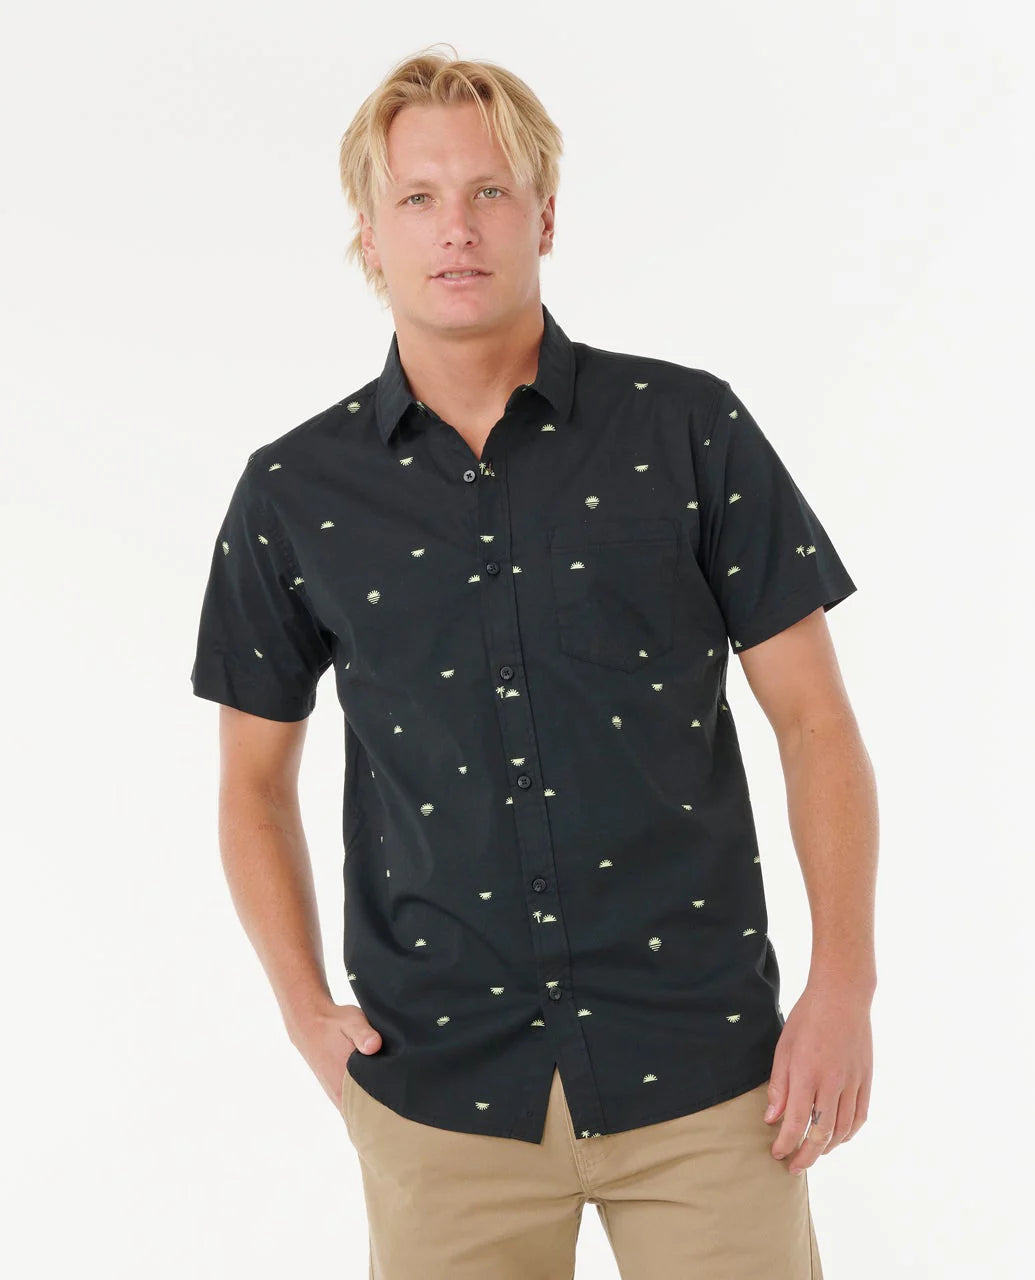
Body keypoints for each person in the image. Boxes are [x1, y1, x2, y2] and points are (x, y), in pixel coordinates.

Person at [189, 42, 877, 1280]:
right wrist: (301, 1006)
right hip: (439, 1090)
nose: (456, 228)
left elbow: (816, 721)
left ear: (545, 217)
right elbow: (250, 780)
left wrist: (844, 985)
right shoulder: (292, 491)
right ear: (369, 233)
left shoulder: (689, 427)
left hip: (709, 1073)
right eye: (418, 197)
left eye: (489, 191)